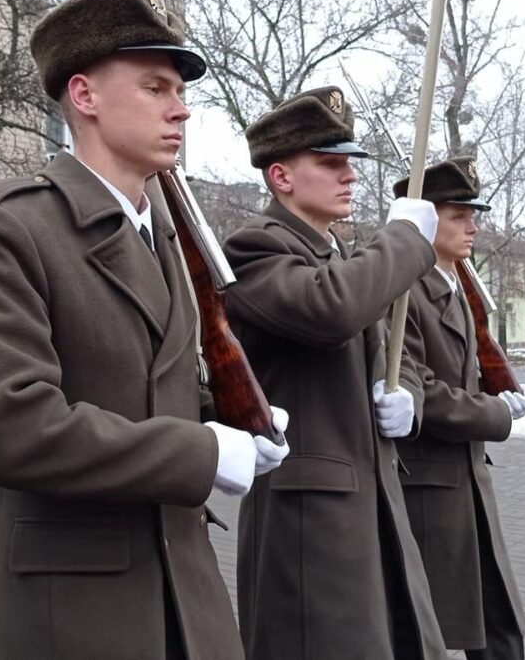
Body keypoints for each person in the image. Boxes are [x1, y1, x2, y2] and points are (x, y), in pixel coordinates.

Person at [0, 0, 289, 658]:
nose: (181, 107)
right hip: (72, 607)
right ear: (85, 96)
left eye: (179, 91)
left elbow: (153, 383)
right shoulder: (5, 227)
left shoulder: (166, 235)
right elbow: (10, 427)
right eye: (155, 87)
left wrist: (240, 418)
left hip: (183, 586)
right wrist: (206, 452)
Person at [222, 86, 447, 660]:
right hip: (307, 525)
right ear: (281, 177)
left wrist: (408, 396)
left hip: (370, 507)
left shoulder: (340, 257)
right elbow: (332, 311)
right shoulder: (254, 249)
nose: (348, 175)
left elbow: (395, 355)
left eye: (349, 162)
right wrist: (405, 238)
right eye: (329, 163)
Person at [394, 157, 525, 659]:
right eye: (458, 215)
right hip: (429, 490)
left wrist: (496, 391)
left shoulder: (455, 286)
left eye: (473, 214)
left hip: (467, 482)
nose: (472, 226)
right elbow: (420, 388)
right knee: (429, 634)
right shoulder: (405, 291)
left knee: (499, 629)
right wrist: (495, 414)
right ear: (425, 220)